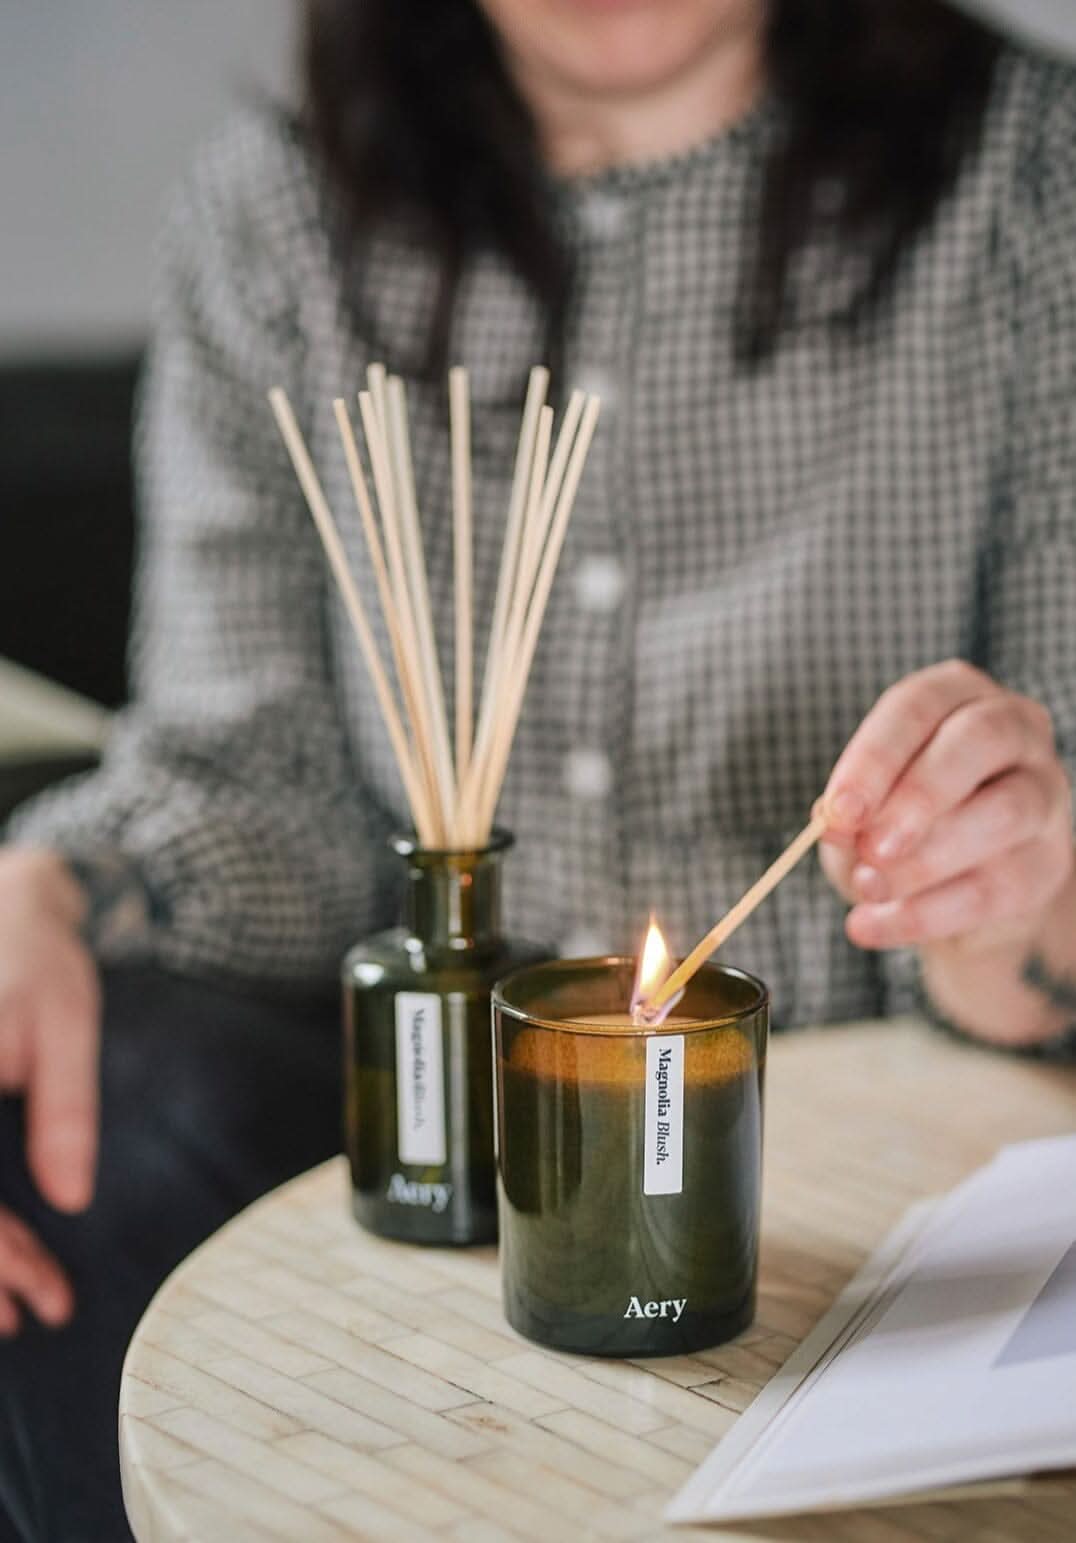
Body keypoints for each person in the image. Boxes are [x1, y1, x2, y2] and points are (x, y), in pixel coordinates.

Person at [1, 0, 1074, 1535]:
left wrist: (1002, 892)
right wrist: (51, 881)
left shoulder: (1037, 185)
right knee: (74, 1129)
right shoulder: (278, 210)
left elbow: (1050, 853)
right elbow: (257, 785)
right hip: (398, 1168)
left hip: (879, 1144)